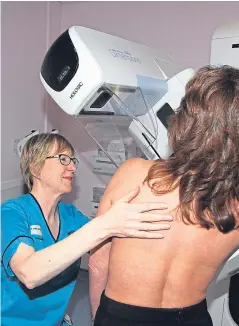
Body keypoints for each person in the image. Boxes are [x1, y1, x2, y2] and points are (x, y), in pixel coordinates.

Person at [89, 65, 239, 326]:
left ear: (187, 121)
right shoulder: (234, 208)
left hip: (121, 318)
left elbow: (98, 264)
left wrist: (96, 317)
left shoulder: (133, 173)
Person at [1, 133, 174, 326]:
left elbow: (109, 249)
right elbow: (29, 273)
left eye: (73, 160)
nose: (73, 167)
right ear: (35, 167)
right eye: (63, 159)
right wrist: (105, 224)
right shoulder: (12, 213)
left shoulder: (71, 216)